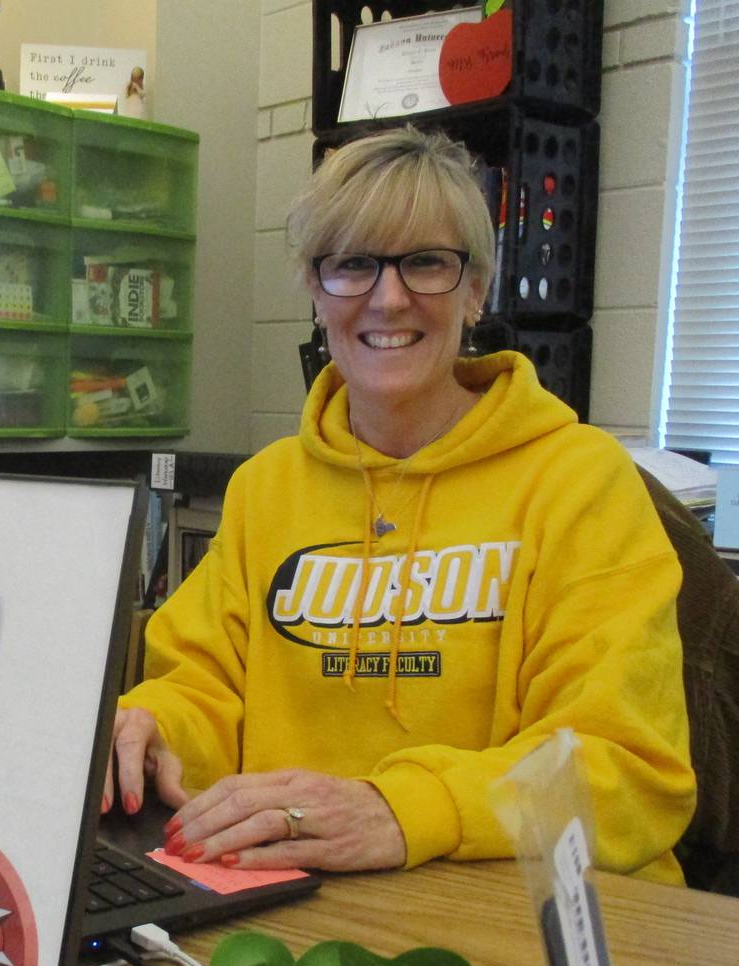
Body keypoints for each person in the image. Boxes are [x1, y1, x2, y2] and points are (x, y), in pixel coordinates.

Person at [106, 126, 696, 885]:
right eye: (352, 264)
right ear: (316, 293)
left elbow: (628, 765)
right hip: (302, 899)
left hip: (528, 908)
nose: (389, 297)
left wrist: (401, 809)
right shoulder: (268, 487)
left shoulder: (580, 481)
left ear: (477, 287)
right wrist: (158, 729)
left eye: (426, 262)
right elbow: (204, 687)